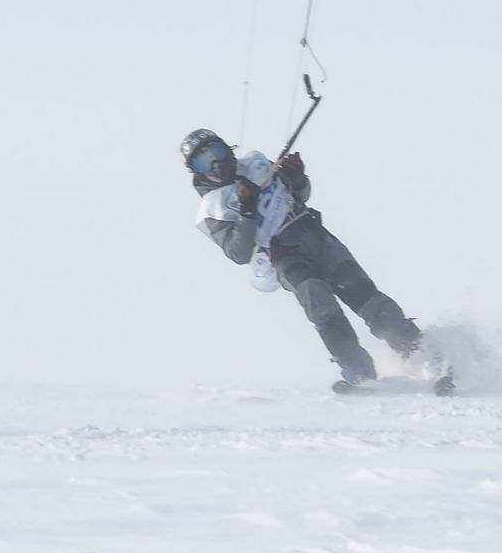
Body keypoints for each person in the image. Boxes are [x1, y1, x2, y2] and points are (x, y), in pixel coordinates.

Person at [180, 127, 451, 394]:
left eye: (216, 152)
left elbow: (299, 194)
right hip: (285, 256)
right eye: (203, 161)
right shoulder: (211, 209)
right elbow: (238, 252)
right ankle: (358, 370)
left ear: (228, 149)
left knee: (366, 298)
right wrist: (247, 210)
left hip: (317, 238)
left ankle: (426, 357)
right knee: (318, 300)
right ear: (197, 171)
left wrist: (296, 177)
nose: (215, 164)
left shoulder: (255, 163)